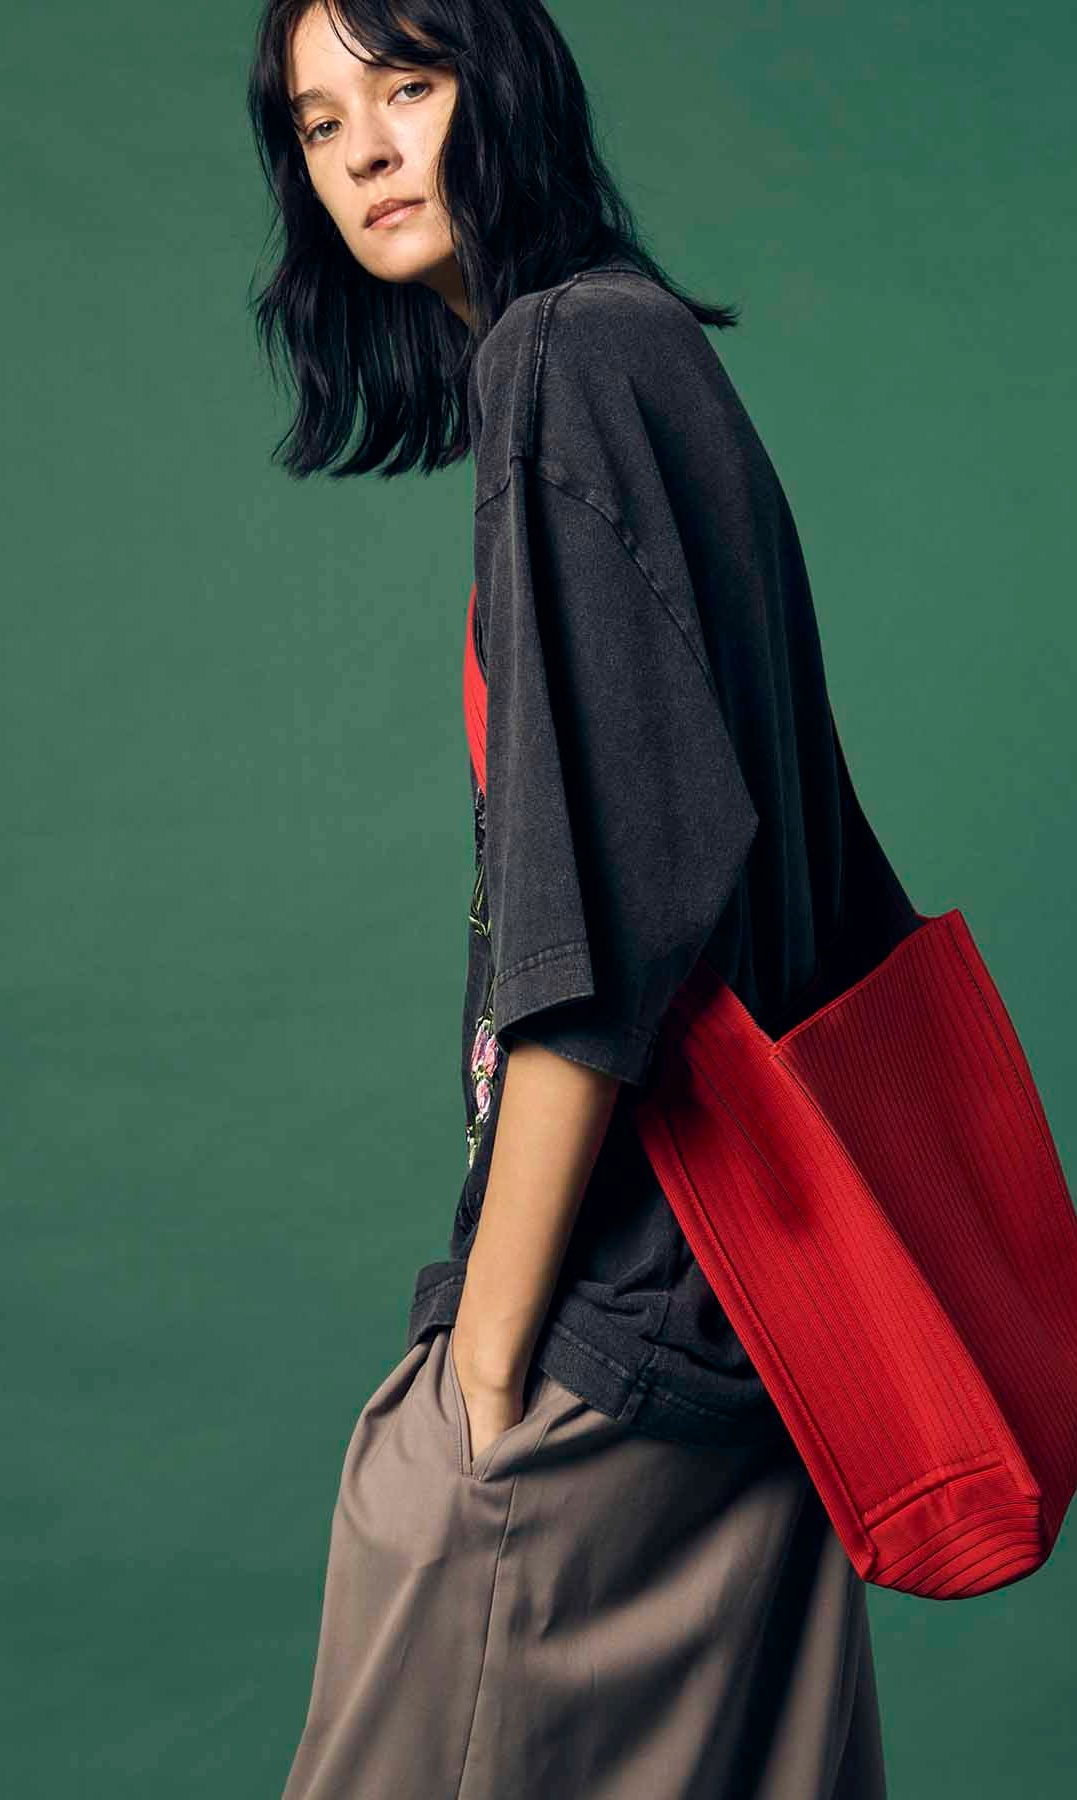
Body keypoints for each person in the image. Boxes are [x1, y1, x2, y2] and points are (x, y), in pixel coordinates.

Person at [248, 2, 908, 1793]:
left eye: (409, 84)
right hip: (769, 1331)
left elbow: (607, 921)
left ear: (507, 87)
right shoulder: (644, 355)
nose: (367, 151)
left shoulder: (565, 360)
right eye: (320, 122)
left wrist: (486, 1364)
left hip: (617, 1331)